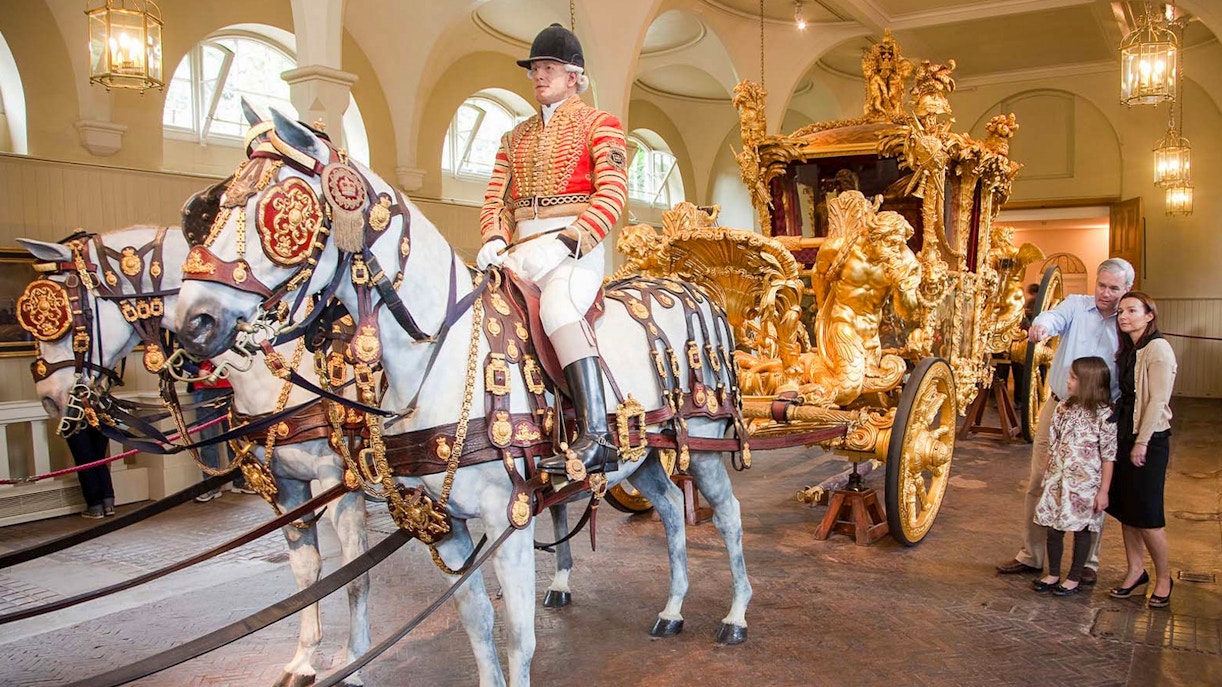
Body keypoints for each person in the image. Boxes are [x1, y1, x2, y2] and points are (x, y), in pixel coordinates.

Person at [477, 23, 629, 477]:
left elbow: (613, 193)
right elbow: (495, 198)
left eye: (549, 68)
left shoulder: (601, 125)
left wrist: (569, 240)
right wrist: (493, 237)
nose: (539, 75)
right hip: (521, 249)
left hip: (573, 248)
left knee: (560, 309)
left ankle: (598, 434)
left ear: (574, 76)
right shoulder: (513, 137)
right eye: (535, 69)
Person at [995, 258, 1134, 583]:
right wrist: (1042, 326)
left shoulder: (1126, 320)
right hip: (1059, 408)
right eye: (1102, 285)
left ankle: (1088, 563)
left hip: (1101, 415)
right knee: (1039, 481)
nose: (1105, 293)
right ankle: (1031, 555)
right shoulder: (1076, 305)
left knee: (1094, 489)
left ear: (1126, 289)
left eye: (1114, 288)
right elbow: (1053, 316)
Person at [1106, 291, 1177, 608]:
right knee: (1127, 510)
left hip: (1148, 439)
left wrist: (1142, 442)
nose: (1123, 316)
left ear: (1150, 315)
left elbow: (1157, 401)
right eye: (1121, 311)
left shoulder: (1158, 349)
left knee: (1148, 515)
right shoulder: (1131, 348)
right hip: (1124, 435)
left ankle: (1164, 578)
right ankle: (1136, 570)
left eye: (1132, 310)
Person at [1031, 356, 1116, 596]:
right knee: (1053, 528)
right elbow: (1053, 444)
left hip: (1085, 485)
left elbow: (1109, 456)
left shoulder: (1105, 415)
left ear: (1087, 382)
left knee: (1082, 531)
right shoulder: (1064, 407)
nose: (1067, 382)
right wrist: (1045, 476)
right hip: (1058, 479)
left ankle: (1074, 576)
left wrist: (1104, 491)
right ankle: (1053, 572)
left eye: (1073, 378)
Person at [190, 360, 245, 501]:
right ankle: (211, 486)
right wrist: (197, 371)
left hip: (230, 387)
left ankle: (240, 481)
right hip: (203, 389)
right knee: (208, 440)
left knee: (235, 438)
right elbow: (180, 359)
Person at [68, 424, 115, 518]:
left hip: (75, 418)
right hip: (100, 416)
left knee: (85, 463)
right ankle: (108, 504)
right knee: (99, 459)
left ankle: (95, 506)